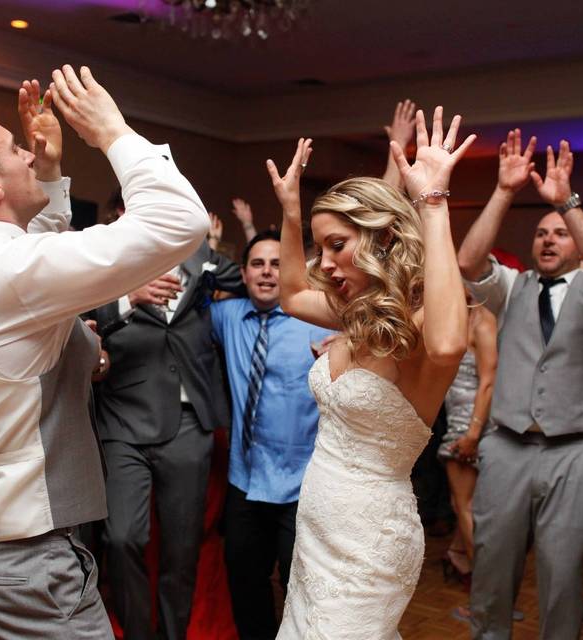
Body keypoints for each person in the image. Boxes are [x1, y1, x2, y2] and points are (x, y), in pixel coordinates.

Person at [0, 66, 209, 639]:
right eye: (16, 151)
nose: (27, 154)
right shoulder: (7, 272)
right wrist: (112, 131)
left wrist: (48, 170)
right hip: (24, 569)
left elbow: (34, 258)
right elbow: (180, 220)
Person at [270, 106, 473, 638]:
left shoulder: (419, 325)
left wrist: (432, 204)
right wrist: (291, 214)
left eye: (338, 245)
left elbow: (452, 342)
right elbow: (291, 294)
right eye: (321, 248)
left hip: (371, 540)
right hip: (315, 531)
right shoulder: (358, 315)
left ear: (383, 238)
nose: (326, 263)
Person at [457, 130, 583, 640]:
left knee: (562, 583)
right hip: (507, 448)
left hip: (575, 454)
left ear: (578, 243)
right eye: (541, 232)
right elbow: (468, 263)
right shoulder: (514, 287)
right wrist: (503, 192)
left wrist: (568, 203)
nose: (549, 239)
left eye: (560, 233)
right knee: (490, 582)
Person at [89, 228, 242, 639]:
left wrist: (212, 244)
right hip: (123, 418)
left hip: (189, 422)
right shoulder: (111, 258)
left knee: (182, 548)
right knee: (122, 538)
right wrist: (129, 297)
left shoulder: (197, 252)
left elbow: (244, 278)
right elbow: (80, 317)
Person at [209, 229, 333, 639]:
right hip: (245, 480)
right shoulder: (225, 317)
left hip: (302, 484)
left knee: (303, 593)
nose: (267, 273)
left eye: (277, 264)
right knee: (245, 588)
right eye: (257, 264)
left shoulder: (316, 321)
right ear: (242, 273)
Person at [436, 302, 497, 590]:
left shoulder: (481, 320)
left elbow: (489, 381)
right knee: (462, 503)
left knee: (466, 507)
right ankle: (458, 556)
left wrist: (472, 433)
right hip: (463, 422)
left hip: (468, 426)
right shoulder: (450, 315)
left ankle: (484, 594)